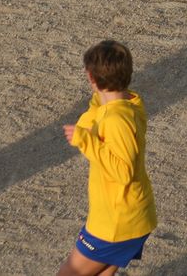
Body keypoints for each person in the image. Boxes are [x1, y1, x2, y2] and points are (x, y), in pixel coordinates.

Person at [59, 40, 157, 276]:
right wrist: (97, 105)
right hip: (131, 219)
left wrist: (87, 141)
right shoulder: (129, 104)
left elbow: (123, 172)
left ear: (91, 77)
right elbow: (89, 124)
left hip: (115, 225)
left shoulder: (116, 121)